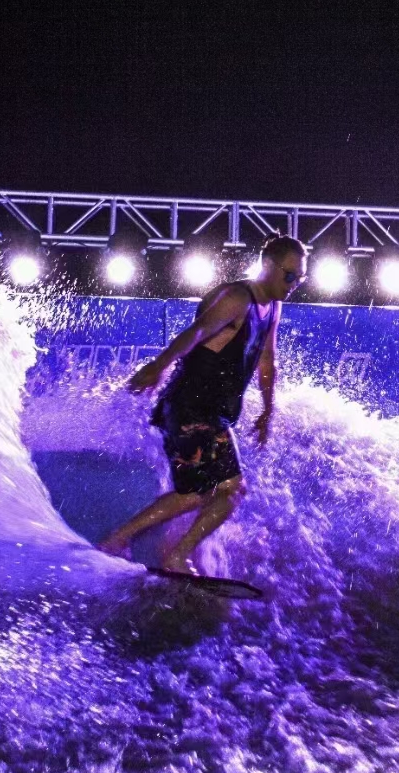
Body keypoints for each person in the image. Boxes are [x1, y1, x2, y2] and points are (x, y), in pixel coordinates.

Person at [98, 234, 308, 574]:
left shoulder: (273, 307)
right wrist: (159, 365)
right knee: (226, 489)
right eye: (289, 275)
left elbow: (268, 360)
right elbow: (196, 332)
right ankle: (169, 554)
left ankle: (121, 541)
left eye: (300, 278)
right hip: (188, 406)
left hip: (213, 414)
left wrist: (269, 410)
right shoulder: (236, 298)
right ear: (267, 265)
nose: (295, 284)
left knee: (205, 492)